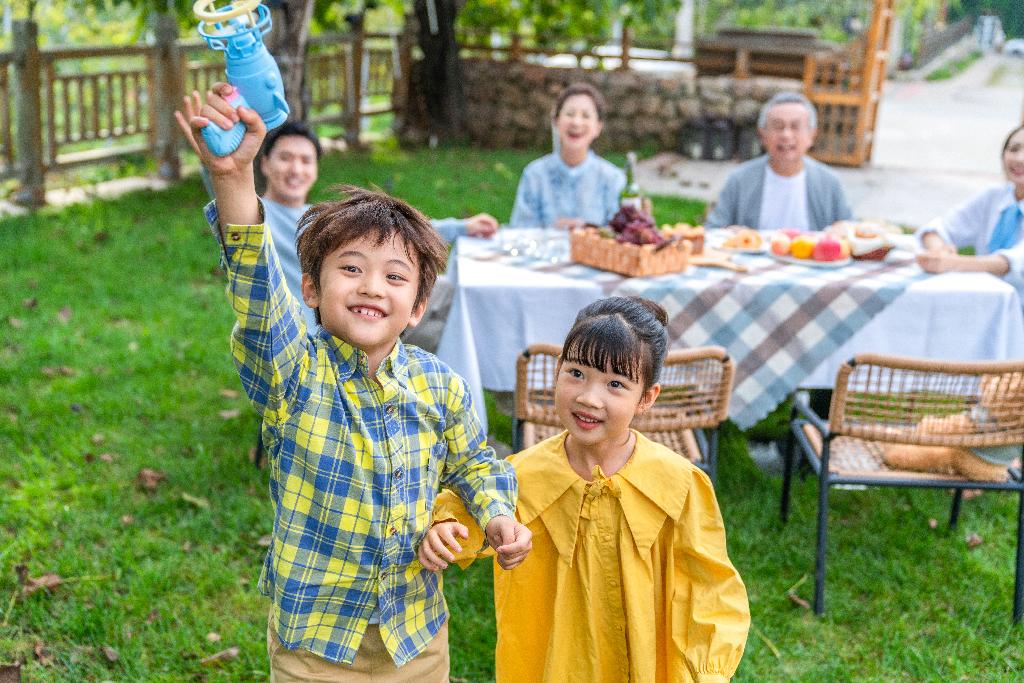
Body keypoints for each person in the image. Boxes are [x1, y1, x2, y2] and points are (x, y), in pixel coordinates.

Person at [185, 83, 531, 680]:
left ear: (418, 305)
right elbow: (256, 283)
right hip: (316, 644)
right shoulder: (294, 370)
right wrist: (234, 177)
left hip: (416, 636)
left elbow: (475, 463)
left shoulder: (440, 386)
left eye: (395, 276)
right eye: (350, 269)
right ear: (312, 289)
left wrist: (497, 516)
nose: (372, 286)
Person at [419, 296, 750, 682]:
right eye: (576, 373)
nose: (589, 397)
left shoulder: (678, 483)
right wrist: (445, 527)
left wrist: (707, 671)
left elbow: (710, 588)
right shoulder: (521, 475)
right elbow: (471, 507)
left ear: (646, 398)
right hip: (553, 663)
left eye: (615, 384)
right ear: (557, 370)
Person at [174, 91, 500, 330]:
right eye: (285, 158)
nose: (295, 169)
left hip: (366, 316)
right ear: (265, 164)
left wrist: (461, 227)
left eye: (305, 161)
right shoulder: (260, 214)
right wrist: (221, 170)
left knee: (458, 295)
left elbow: (394, 236)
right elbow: (241, 228)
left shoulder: (324, 221)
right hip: (313, 329)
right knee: (449, 328)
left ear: (315, 170)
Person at [705, 91, 852, 232]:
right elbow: (712, 229)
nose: (786, 135)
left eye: (795, 126)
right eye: (778, 126)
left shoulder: (829, 182)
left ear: (811, 135)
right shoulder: (740, 179)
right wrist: (727, 233)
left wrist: (842, 230)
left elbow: (851, 230)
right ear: (762, 134)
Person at [915, 124, 1024, 299]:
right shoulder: (993, 197)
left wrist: (951, 263)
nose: (1020, 158)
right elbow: (939, 228)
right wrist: (938, 250)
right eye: (1013, 149)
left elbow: (1011, 263)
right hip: (982, 301)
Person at [509, 82, 626, 229]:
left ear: (598, 127)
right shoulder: (535, 175)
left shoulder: (613, 179)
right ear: (556, 121)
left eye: (586, 115)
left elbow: (621, 236)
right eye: (570, 114)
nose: (576, 122)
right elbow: (520, 231)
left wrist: (585, 229)